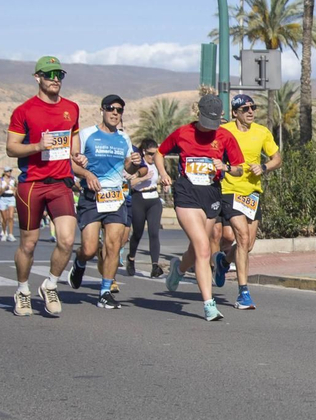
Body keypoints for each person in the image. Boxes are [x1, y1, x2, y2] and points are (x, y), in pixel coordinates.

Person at [156, 92, 244, 322]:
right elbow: (159, 152)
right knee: (204, 248)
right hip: (187, 193)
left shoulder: (225, 137)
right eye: (207, 122)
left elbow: (239, 169)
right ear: (199, 113)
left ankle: (178, 268)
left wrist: (224, 167)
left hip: (211, 193)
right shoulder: (183, 133)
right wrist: (164, 173)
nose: (210, 128)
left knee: (197, 249)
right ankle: (209, 305)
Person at [7, 56, 81, 318]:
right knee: (29, 244)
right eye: (49, 75)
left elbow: (73, 141)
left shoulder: (71, 108)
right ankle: (23, 290)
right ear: (37, 77)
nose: (55, 80)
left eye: (59, 74)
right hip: (32, 185)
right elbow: (11, 148)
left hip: (60, 183)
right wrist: (38, 146)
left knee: (67, 240)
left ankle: (50, 284)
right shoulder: (24, 111)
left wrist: (78, 157)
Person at [68, 94, 138, 310]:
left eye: (119, 110)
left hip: (116, 197)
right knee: (89, 249)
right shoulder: (88, 134)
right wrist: (87, 175)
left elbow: (128, 170)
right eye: (111, 109)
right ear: (102, 110)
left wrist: (134, 164)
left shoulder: (124, 138)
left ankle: (105, 292)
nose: (115, 113)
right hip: (91, 198)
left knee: (113, 245)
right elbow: (72, 164)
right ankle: (79, 263)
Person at [217, 92, 281, 310]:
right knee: (242, 237)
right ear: (235, 113)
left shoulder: (262, 132)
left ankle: (223, 261)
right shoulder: (224, 131)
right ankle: (243, 293)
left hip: (252, 193)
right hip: (230, 189)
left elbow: (277, 159)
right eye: (245, 109)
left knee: (248, 244)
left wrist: (263, 167)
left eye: (253, 108)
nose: (251, 112)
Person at [126, 137, 164, 278]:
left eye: (155, 154)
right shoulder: (139, 164)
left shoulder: (157, 164)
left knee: (154, 233)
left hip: (154, 199)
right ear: (143, 152)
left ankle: (155, 265)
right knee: (138, 232)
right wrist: (143, 177)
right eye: (150, 154)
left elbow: (159, 176)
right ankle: (131, 258)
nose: (152, 157)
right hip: (139, 198)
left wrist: (164, 182)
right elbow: (132, 183)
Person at [0, 166, 17, 242]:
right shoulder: (0, 180)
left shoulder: (13, 180)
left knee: (11, 217)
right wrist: (4, 188)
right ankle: (4, 232)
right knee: (4, 218)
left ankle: (11, 234)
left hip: (11, 198)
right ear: (4, 172)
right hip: (3, 198)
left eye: (10, 171)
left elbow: (16, 189)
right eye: (8, 171)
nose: (9, 173)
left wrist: (14, 189)